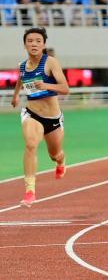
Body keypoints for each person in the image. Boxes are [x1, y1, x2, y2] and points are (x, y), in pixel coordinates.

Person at [12, 28, 70, 207]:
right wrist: (15, 96)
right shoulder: (22, 66)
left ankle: (61, 161)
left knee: (54, 154)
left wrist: (45, 84)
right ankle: (30, 191)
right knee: (30, 145)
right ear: (25, 45)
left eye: (38, 41)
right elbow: (21, 81)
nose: (34, 44)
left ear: (43, 44)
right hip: (32, 113)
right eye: (30, 41)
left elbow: (65, 88)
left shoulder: (50, 62)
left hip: (52, 118)